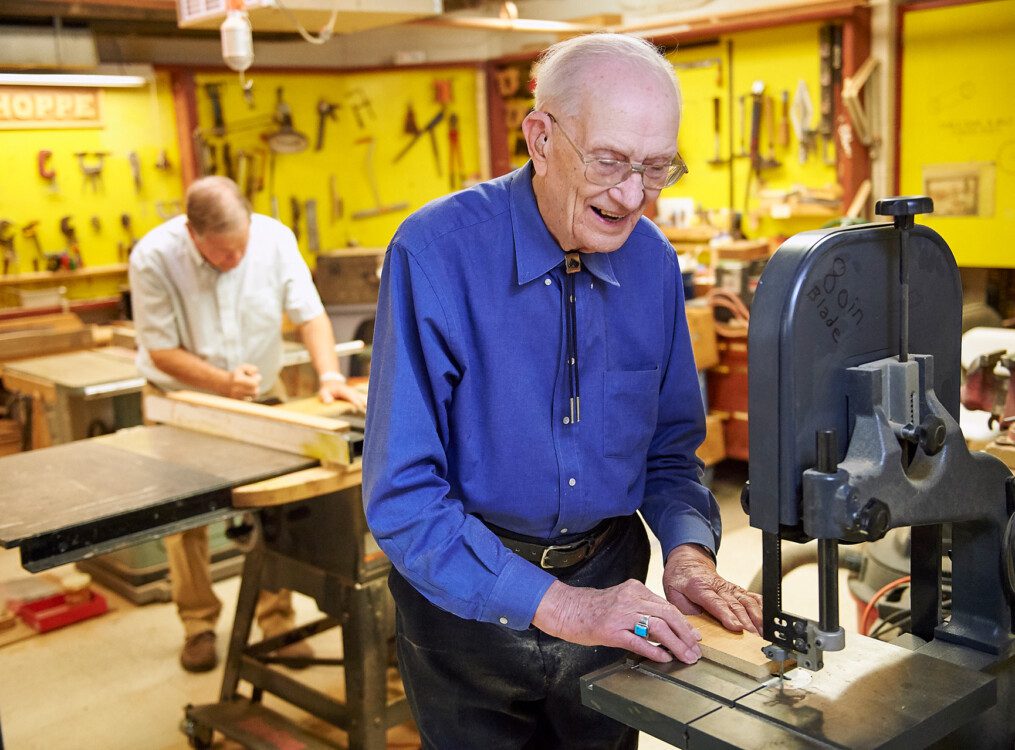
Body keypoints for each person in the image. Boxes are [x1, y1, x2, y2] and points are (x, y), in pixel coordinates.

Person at [363, 33, 763, 749]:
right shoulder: (434, 253)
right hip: (466, 607)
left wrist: (687, 550)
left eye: (655, 168)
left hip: (613, 583)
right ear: (540, 138)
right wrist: (562, 608)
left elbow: (669, 454)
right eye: (610, 161)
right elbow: (403, 497)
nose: (632, 195)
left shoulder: (653, 264)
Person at [130, 175, 367, 673]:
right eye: (220, 255)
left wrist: (328, 375)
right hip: (183, 400)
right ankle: (198, 623)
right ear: (193, 235)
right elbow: (160, 350)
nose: (233, 262)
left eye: (239, 250)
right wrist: (219, 382)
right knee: (185, 520)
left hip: (260, 394)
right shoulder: (153, 257)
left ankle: (276, 621)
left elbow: (311, 315)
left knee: (279, 508)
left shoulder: (275, 239)